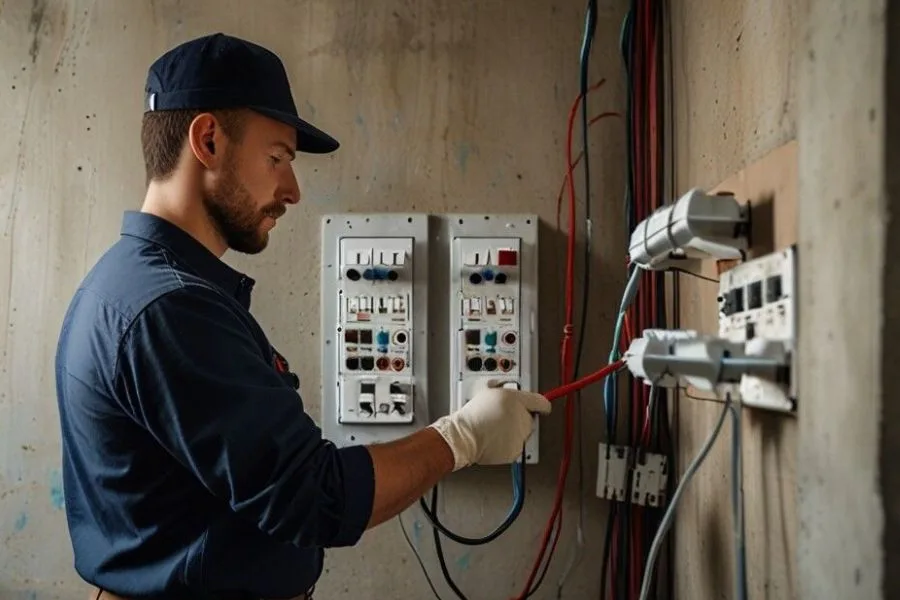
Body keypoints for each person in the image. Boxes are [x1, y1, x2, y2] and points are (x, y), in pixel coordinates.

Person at [54, 33, 551, 600]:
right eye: (277, 158)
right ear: (209, 140)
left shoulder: (130, 283)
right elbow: (314, 498)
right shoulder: (170, 306)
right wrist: (462, 437)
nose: (291, 190)